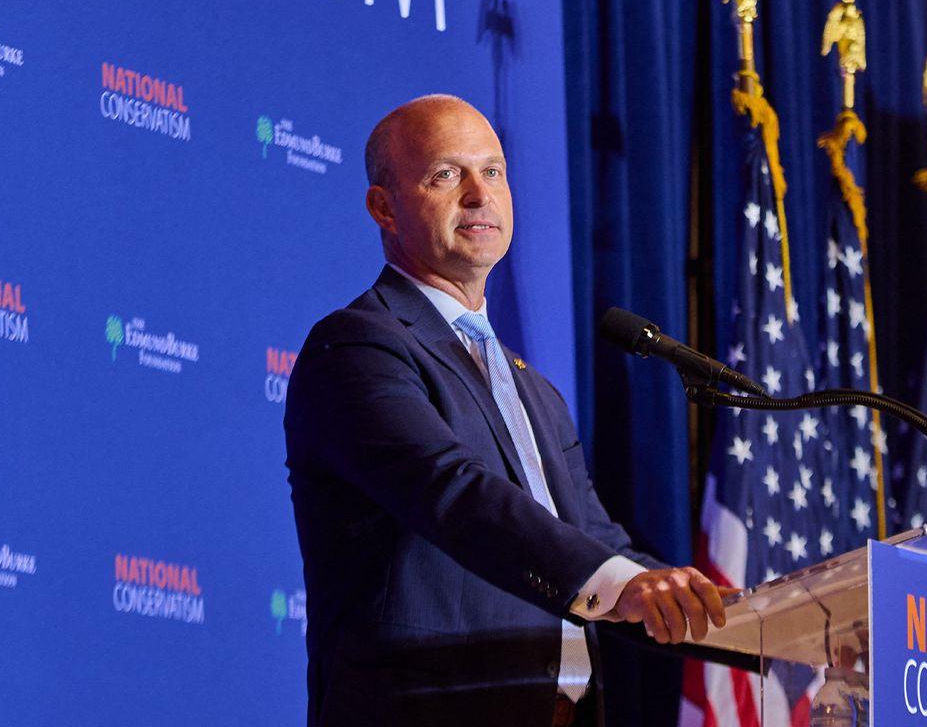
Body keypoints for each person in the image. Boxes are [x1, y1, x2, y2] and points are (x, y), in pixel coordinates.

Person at [285, 94, 728, 727]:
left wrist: (742, 616)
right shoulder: (357, 346)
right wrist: (622, 583)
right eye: (446, 174)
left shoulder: (533, 391)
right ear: (383, 207)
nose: (478, 193)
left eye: (493, 171)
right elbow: (452, 492)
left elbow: (596, 544)